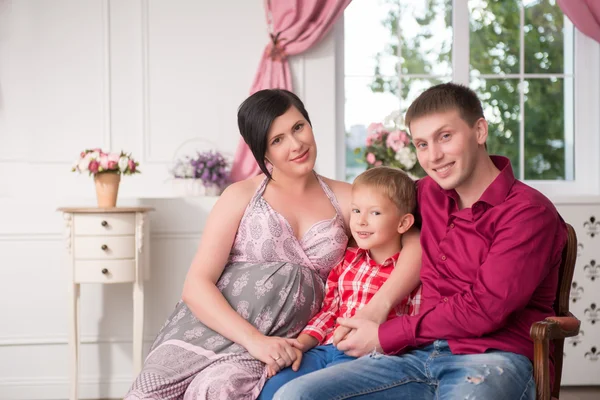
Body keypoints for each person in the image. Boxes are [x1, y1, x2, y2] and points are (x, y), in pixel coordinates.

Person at [274, 82, 568, 400]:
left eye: (445, 136)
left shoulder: (528, 212)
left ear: (480, 130)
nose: (434, 156)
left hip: (493, 359)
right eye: (422, 144)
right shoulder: (426, 195)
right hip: (416, 356)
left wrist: (386, 333)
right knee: (296, 395)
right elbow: (376, 211)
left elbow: (486, 307)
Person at [124, 89, 422, 400]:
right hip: (206, 333)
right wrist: (253, 340)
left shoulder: (347, 198)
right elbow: (196, 285)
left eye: (298, 127)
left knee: (217, 389)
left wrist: (378, 307)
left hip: (278, 344)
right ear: (262, 152)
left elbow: (413, 241)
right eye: (277, 140)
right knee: (145, 394)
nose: (296, 145)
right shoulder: (240, 195)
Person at [259, 166, 422, 399]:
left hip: (368, 356)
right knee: (272, 389)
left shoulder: (407, 276)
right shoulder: (348, 262)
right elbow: (329, 313)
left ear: (403, 223)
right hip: (326, 348)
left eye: (375, 213)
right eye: (356, 211)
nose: (361, 221)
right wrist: (300, 345)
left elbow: (410, 329)